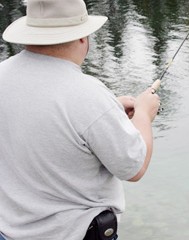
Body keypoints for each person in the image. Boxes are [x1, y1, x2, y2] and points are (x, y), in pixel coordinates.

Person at [0, 0, 160, 239]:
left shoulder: (3, 74)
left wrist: (111, 109)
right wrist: (144, 116)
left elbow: (40, 117)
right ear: (83, 38)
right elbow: (133, 167)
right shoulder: (86, 94)